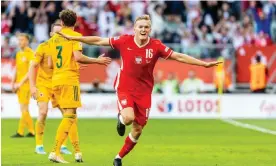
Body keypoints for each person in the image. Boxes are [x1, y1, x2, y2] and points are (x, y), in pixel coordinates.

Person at [58, 14, 221, 166]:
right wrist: (73, 37)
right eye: (140, 26)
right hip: (125, 87)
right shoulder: (124, 41)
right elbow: (99, 41)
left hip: (144, 92)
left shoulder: (156, 46)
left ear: (150, 29)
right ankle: (122, 119)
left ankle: (118, 157)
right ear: (134, 28)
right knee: (129, 118)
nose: (143, 30)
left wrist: (203, 64)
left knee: (137, 130)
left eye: (146, 27)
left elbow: (178, 56)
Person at [47, 9, 111, 163]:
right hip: (69, 80)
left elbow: (50, 64)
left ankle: (73, 152)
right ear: (75, 22)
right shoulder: (76, 36)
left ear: (61, 22)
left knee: (70, 115)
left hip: (56, 79)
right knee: (70, 116)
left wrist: (70, 65)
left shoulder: (53, 39)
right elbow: (78, 57)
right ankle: (55, 151)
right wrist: (97, 60)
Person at [29, 21, 74, 155]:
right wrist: (32, 86)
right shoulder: (43, 47)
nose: (58, 35)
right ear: (50, 34)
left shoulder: (66, 48)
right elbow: (32, 66)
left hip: (59, 85)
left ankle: (62, 145)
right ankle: (39, 145)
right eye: (56, 33)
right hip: (44, 85)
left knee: (68, 115)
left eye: (61, 33)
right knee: (43, 112)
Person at [10, 33, 35, 138]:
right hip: (19, 85)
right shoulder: (19, 53)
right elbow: (16, 68)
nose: (19, 42)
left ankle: (20, 131)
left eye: (21, 40)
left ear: (27, 41)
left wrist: (20, 83)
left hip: (26, 85)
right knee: (25, 109)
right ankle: (32, 131)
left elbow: (30, 71)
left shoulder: (30, 54)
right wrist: (12, 82)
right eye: (18, 40)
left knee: (23, 108)